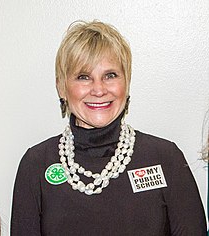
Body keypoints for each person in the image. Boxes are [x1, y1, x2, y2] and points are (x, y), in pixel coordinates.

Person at [11, 20, 207, 235]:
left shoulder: (166, 158)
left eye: (110, 75)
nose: (98, 89)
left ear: (127, 82)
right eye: (83, 77)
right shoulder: (36, 164)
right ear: (61, 88)